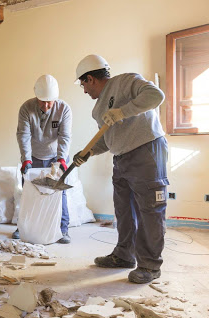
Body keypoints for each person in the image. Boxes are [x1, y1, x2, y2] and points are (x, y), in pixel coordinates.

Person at [73, 54, 168, 284]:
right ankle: (124, 255)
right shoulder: (97, 110)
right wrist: (88, 152)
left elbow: (156, 96)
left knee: (150, 210)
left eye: (83, 84)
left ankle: (149, 265)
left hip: (146, 151)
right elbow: (107, 139)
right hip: (121, 158)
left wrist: (123, 111)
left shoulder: (126, 81)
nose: (84, 91)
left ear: (90, 78)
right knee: (124, 210)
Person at [15, 74, 72, 244]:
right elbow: (23, 135)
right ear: (36, 96)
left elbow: (65, 137)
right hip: (33, 157)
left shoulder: (64, 109)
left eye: (50, 101)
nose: (46, 106)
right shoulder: (26, 108)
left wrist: (62, 160)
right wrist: (26, 160)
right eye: (42, 101)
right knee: (30, 192)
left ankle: (62, 230)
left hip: (56, 157)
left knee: (58, 192)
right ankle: (23, 228)